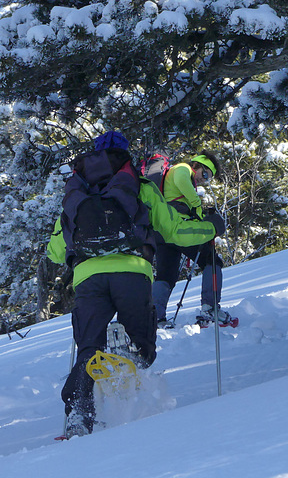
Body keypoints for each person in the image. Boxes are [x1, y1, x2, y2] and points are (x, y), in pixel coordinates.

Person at [47, 131, 221, 438]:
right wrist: (212, 227)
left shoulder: (77, 190)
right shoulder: (139, 186)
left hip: (88, 278)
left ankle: (79, 416)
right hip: (133, 272)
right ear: (127, 155)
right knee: (144, 349)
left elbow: (57, 250)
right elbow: (175, 231)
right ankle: (134, 364)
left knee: (88, 349)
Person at [151, 151, 232, 328]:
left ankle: (156, 316)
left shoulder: (174, 173)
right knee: (211, 259)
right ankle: (210, 308)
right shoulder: (182, 169)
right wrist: (197, 206)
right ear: (196, 165)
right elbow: (181, 180)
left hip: (163, 231)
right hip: (179, 228)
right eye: (204, 174)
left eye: (207, 178)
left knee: (166, 274)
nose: (204, 180)